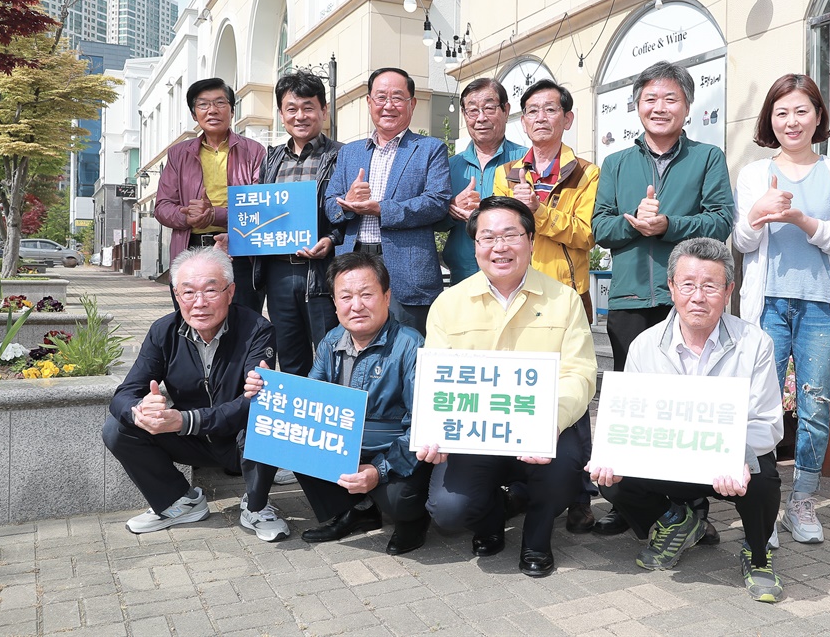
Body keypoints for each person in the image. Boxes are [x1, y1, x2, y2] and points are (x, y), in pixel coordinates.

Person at [589, 238, 785, 603]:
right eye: (688, 285)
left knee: (764, 477)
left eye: (710, 286)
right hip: (671, 461)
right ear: (672, 289)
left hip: (727, 464)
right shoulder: (645, 345)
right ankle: (676, 520)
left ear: (728, 290)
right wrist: (610, 452)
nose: (698, 296)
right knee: (611, 478)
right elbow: (629, 415)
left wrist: (738, 455)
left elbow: (768, 422)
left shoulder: (755, 342)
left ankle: (757, 556)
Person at [417, 197, 597, 578]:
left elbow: (580, 371)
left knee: (564, 471)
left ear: (531, 241)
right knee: (448, 510)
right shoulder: (449, 304)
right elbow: (436, 379)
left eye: (511, 234)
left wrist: (554, 420)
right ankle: (491, 518)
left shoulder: (563, 299)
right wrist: (435, 430)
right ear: (475, 246)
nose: (500, 247)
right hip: (476, 434)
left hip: (542, 428)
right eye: (488, 238)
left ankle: (537, 538)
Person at [591, 60, 734, 538]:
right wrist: (635, 221)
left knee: (690, 400)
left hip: (691, 299)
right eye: (650, 99)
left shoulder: (708, 158)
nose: (659, 107)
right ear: (636, 107)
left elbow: (720, 220)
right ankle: (631, 501)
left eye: (670, 99)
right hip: (631, 295)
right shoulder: (616, 164)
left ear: (687, 107)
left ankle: (695, 505)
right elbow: (599, 228)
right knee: (633, 397)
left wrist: (669, 225)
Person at [244, 252, 432, 555]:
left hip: (394, 446)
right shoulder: (332, 340)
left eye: (366, 295)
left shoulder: (411, 344)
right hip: (349, 441)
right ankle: (359, 511)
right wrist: (271, 388)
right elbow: (309, 400)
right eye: (345, 297)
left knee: (398, 499)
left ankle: (413, 521)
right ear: (334, 303)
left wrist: (379, 470)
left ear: (386, 296)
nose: (356, 305)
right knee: (296, 440)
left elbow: (421, 425)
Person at [732, 74, 830, 545]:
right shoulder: (753, 174)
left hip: (822, 305)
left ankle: (801, 503)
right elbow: (742, 243)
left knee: (815, 406)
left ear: (818, 116)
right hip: (768, 304)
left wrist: (800, 218)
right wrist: (759, 212)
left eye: (801, 111)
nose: (792, 121)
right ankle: (762, 501)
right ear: (770, 121)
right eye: (781, 112)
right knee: (758, 403)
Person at [102, 247, 287, 541]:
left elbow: (251, 403)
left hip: (238, 440)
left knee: (263, 415)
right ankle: (178, 502)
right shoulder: (163, 331)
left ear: (230, 291)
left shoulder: (257, 330)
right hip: (191, 440)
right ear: (177, 295)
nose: (199, 303)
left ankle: (257, 505)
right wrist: (140, 410)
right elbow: (124, 393)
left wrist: (186, 420)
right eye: (188, 293)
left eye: (211, 291)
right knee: (118, 428)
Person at [492, 79, 600, 534]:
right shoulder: (508, 171)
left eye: (550, 110)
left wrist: (540, 212)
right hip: (514, 297)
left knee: (573, 392)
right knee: (520, 388)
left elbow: (587, 235)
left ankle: (579, 494)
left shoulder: (587, 173)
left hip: (565, 297)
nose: (540, 117)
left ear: (567, 119)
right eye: (531, 111)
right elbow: (500, 228)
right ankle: (525, 479)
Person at [324, 67, 450, 335]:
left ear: (412, 103)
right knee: (355, 344)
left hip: (407, 268)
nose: (388, 105)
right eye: (380, 97)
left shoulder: (430, 149)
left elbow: (437, 202)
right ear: (369, 102)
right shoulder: (350, 152)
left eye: (397, 98)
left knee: (408, 345)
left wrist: (382, 209)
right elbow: (329, 204)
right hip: (354, 260)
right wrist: (345, 202)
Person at [253, 71, 344, 377]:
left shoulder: (341, 155)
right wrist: (241, 236)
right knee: (289, 356)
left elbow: (349, 215)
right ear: (281, 114)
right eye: (291, 109)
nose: (300, 116)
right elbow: (260, 212)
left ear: (323, 111)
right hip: (279, 272)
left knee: (332, 352)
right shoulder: (271, 159)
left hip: (322, 270)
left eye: (308, 107)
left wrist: (332, 239)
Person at [154, 78, 266, 312]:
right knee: (194, 321)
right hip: (190, 251)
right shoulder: (178, 154)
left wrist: (214, 214)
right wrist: (186, 216)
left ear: (232, 110)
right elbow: (162, 206)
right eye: (203, 104)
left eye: (220, 103)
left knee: (243, 323)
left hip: (241, 251)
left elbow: (260, 205)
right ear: (194, 115)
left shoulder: (254, 151)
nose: (212, 110)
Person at [440, 77, 527, 282]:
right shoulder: (449, 166)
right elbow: (435, 224)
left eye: (489, 108)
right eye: (472, 110)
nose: (481, 118)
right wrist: (451, 210)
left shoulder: (527, 161)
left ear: (505, 110)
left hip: (515, 279)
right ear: (464, 115)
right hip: (463, 279)